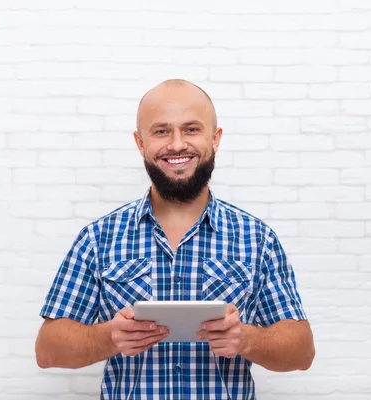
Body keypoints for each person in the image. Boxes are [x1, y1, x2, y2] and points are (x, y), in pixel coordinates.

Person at [35, 79, 315, 399]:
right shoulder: (98, 239)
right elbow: (48, 349)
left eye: (192, 129)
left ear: (215, 138)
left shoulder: (258, 239)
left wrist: (247, 339)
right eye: (161, 131)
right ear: (140, 144)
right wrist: (109, 337)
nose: (177, 144)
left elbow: (302, 351)